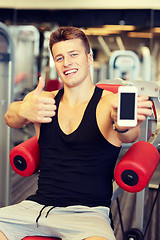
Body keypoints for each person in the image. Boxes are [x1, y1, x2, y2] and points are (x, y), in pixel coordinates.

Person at [2, 26, 152, 240]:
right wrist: (23, 109)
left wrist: (123, 125)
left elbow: (129, 135)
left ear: (89, 58)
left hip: (87, 214)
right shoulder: (44, 101)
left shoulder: (108, 102)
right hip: (36, 207)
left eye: (74, 54)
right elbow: (10, 117)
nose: (67, 63)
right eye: (60, 57)